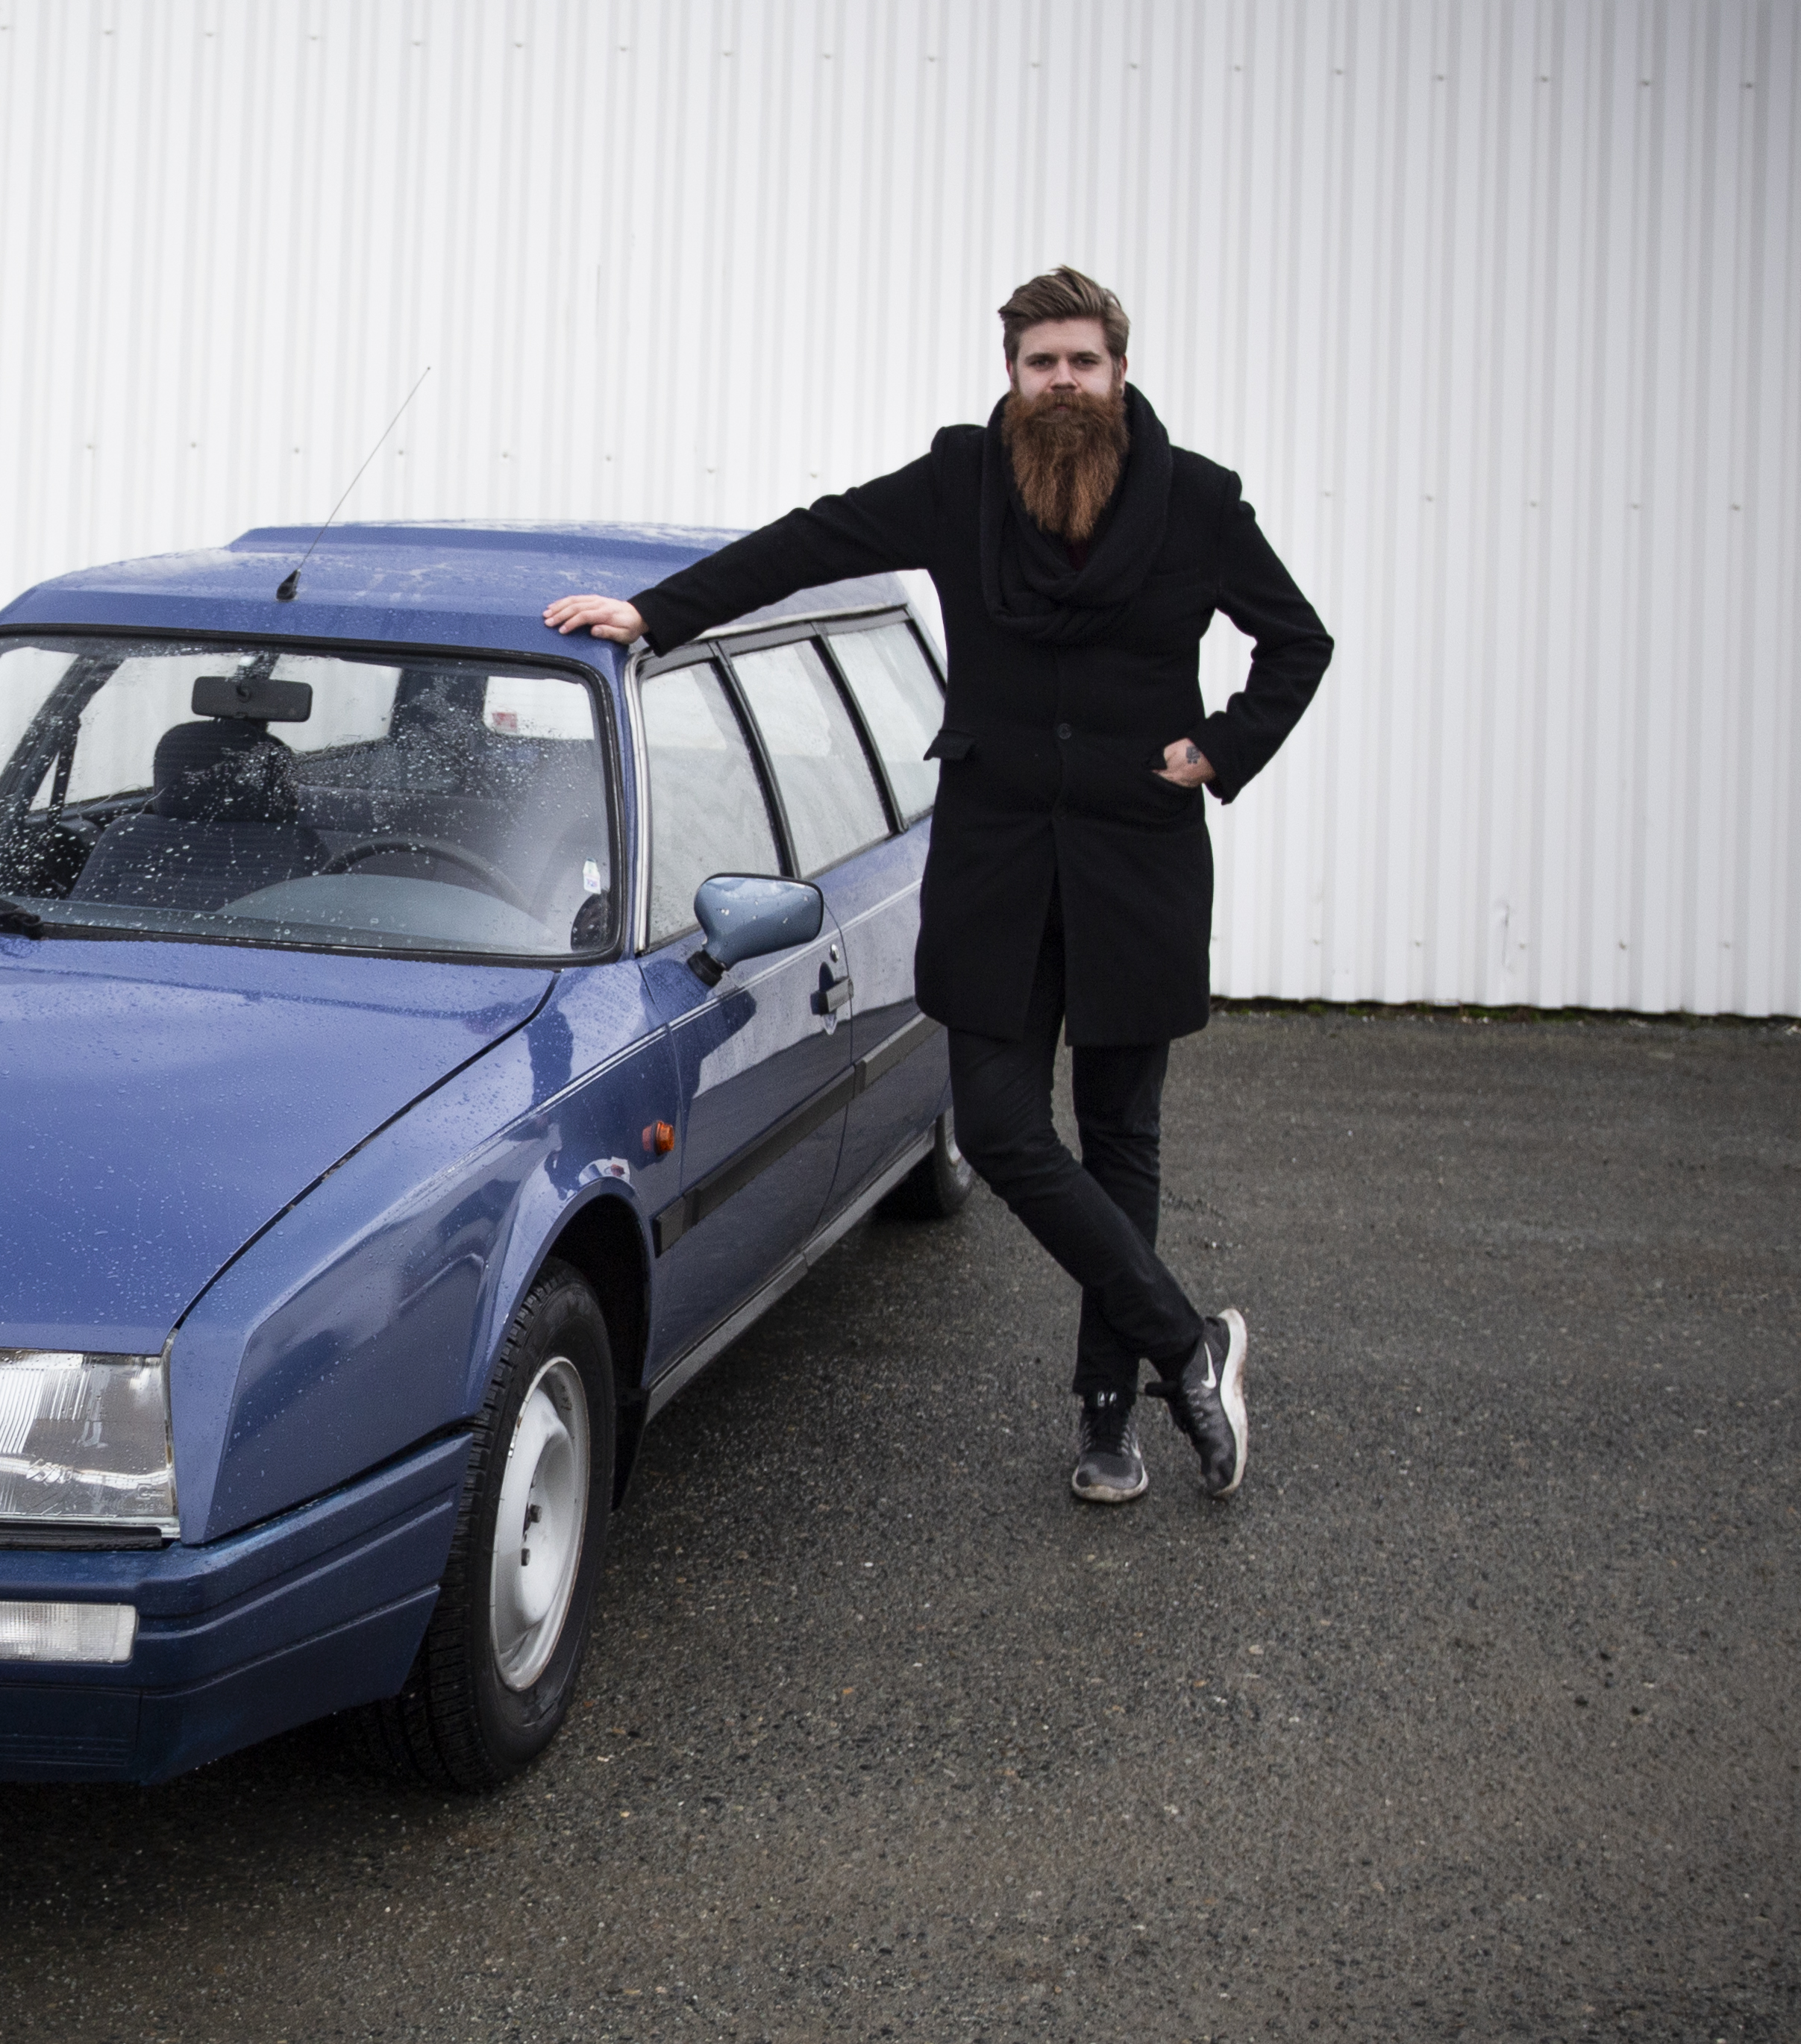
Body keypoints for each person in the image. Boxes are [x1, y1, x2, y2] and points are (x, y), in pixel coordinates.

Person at [545, 266, 1330, 1502]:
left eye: (1082, 362)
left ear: (1120, 372)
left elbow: (1299, 640)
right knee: (1009, 1131)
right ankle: (1192, 1344)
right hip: (1001, 866)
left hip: (1137, 865)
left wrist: (1220, 748)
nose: (1061, 383)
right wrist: (656, 613)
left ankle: (1111, 1418)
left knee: (1123, 1141)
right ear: (1010, 373)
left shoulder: (1199, 504)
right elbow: (813, 541)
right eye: (1040, 364)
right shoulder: (965, 481)